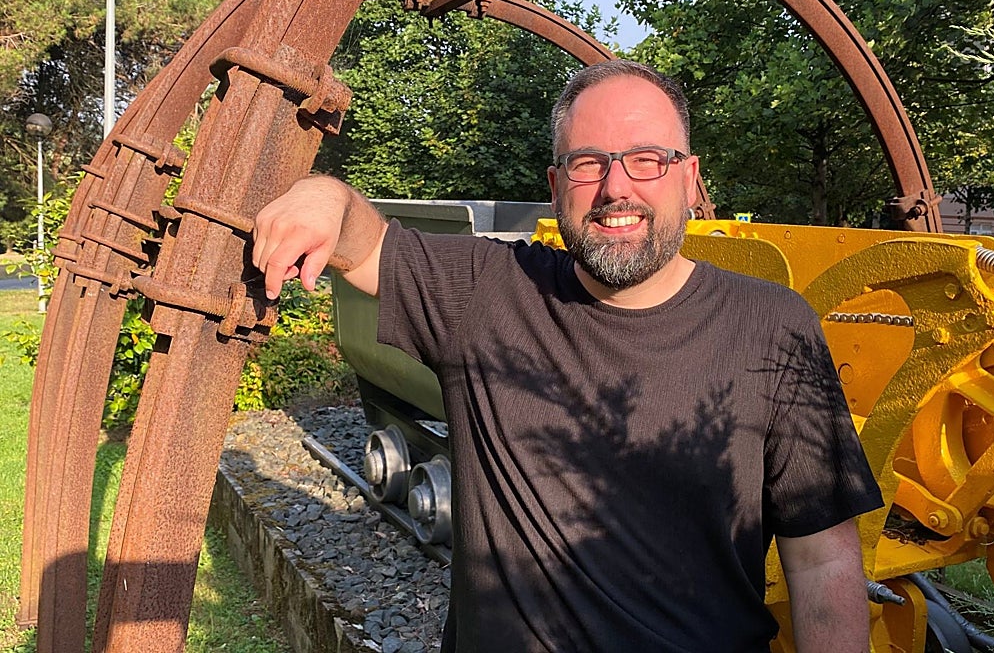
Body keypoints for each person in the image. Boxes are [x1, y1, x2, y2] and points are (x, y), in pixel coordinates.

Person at [253, 59, 883, 653]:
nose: (616, 188)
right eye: (588, 164)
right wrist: (323, 194)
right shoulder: (485, 294)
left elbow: (822, 559)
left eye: (647, 160)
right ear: (556, 187)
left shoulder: (773, 326)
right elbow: (364, 242)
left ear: (690, 179)